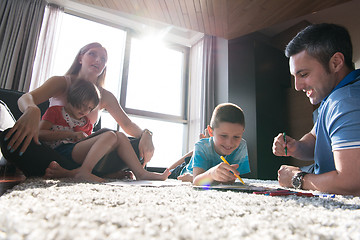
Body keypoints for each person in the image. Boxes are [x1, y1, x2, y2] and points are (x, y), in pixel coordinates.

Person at [1, 42, 158, 177]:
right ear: (80, 58)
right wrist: (32, 109)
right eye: (92, 54)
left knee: (127, 142)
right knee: (9, 140)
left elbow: (127, 124)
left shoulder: (106, 96)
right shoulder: (61, 82)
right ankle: (90, 173)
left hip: (87, 153)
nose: (98, 60)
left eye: (103, 59)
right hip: (54, 152)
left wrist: (147, 134)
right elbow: (25, 99)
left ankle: (74, 172)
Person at [272, 23, 360, 195]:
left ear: (336, 63)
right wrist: (296, 146)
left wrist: (297, 179)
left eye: (303, 74)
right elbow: (315, 137)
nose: (297, 86)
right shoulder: (333, 98)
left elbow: (352, 181)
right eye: (294, 77)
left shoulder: (346, 102)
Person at [39, 79, 169, 182]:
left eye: (89, 108)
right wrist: (72, 134)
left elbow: (94, 150)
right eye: (83, 105)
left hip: (77, 151)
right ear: (73, 97)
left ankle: (141, 173)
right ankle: (84, 171)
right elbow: (40, 134)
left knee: (120, 136)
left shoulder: (86, 122)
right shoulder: (55, 111)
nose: (85, 111)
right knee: (111, 136)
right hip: (62, 150)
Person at [169, 103, 250, 185]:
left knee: (200, 150)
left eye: (236, 137)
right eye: (223, 136)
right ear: (211, 131)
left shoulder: (241, 146)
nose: (229, 143)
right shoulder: (201, 146)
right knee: (167, 173)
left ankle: (205, 143)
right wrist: (209, 175)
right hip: (186, 170)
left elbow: (232, 178)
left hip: (203, 164)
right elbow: (197, 181)